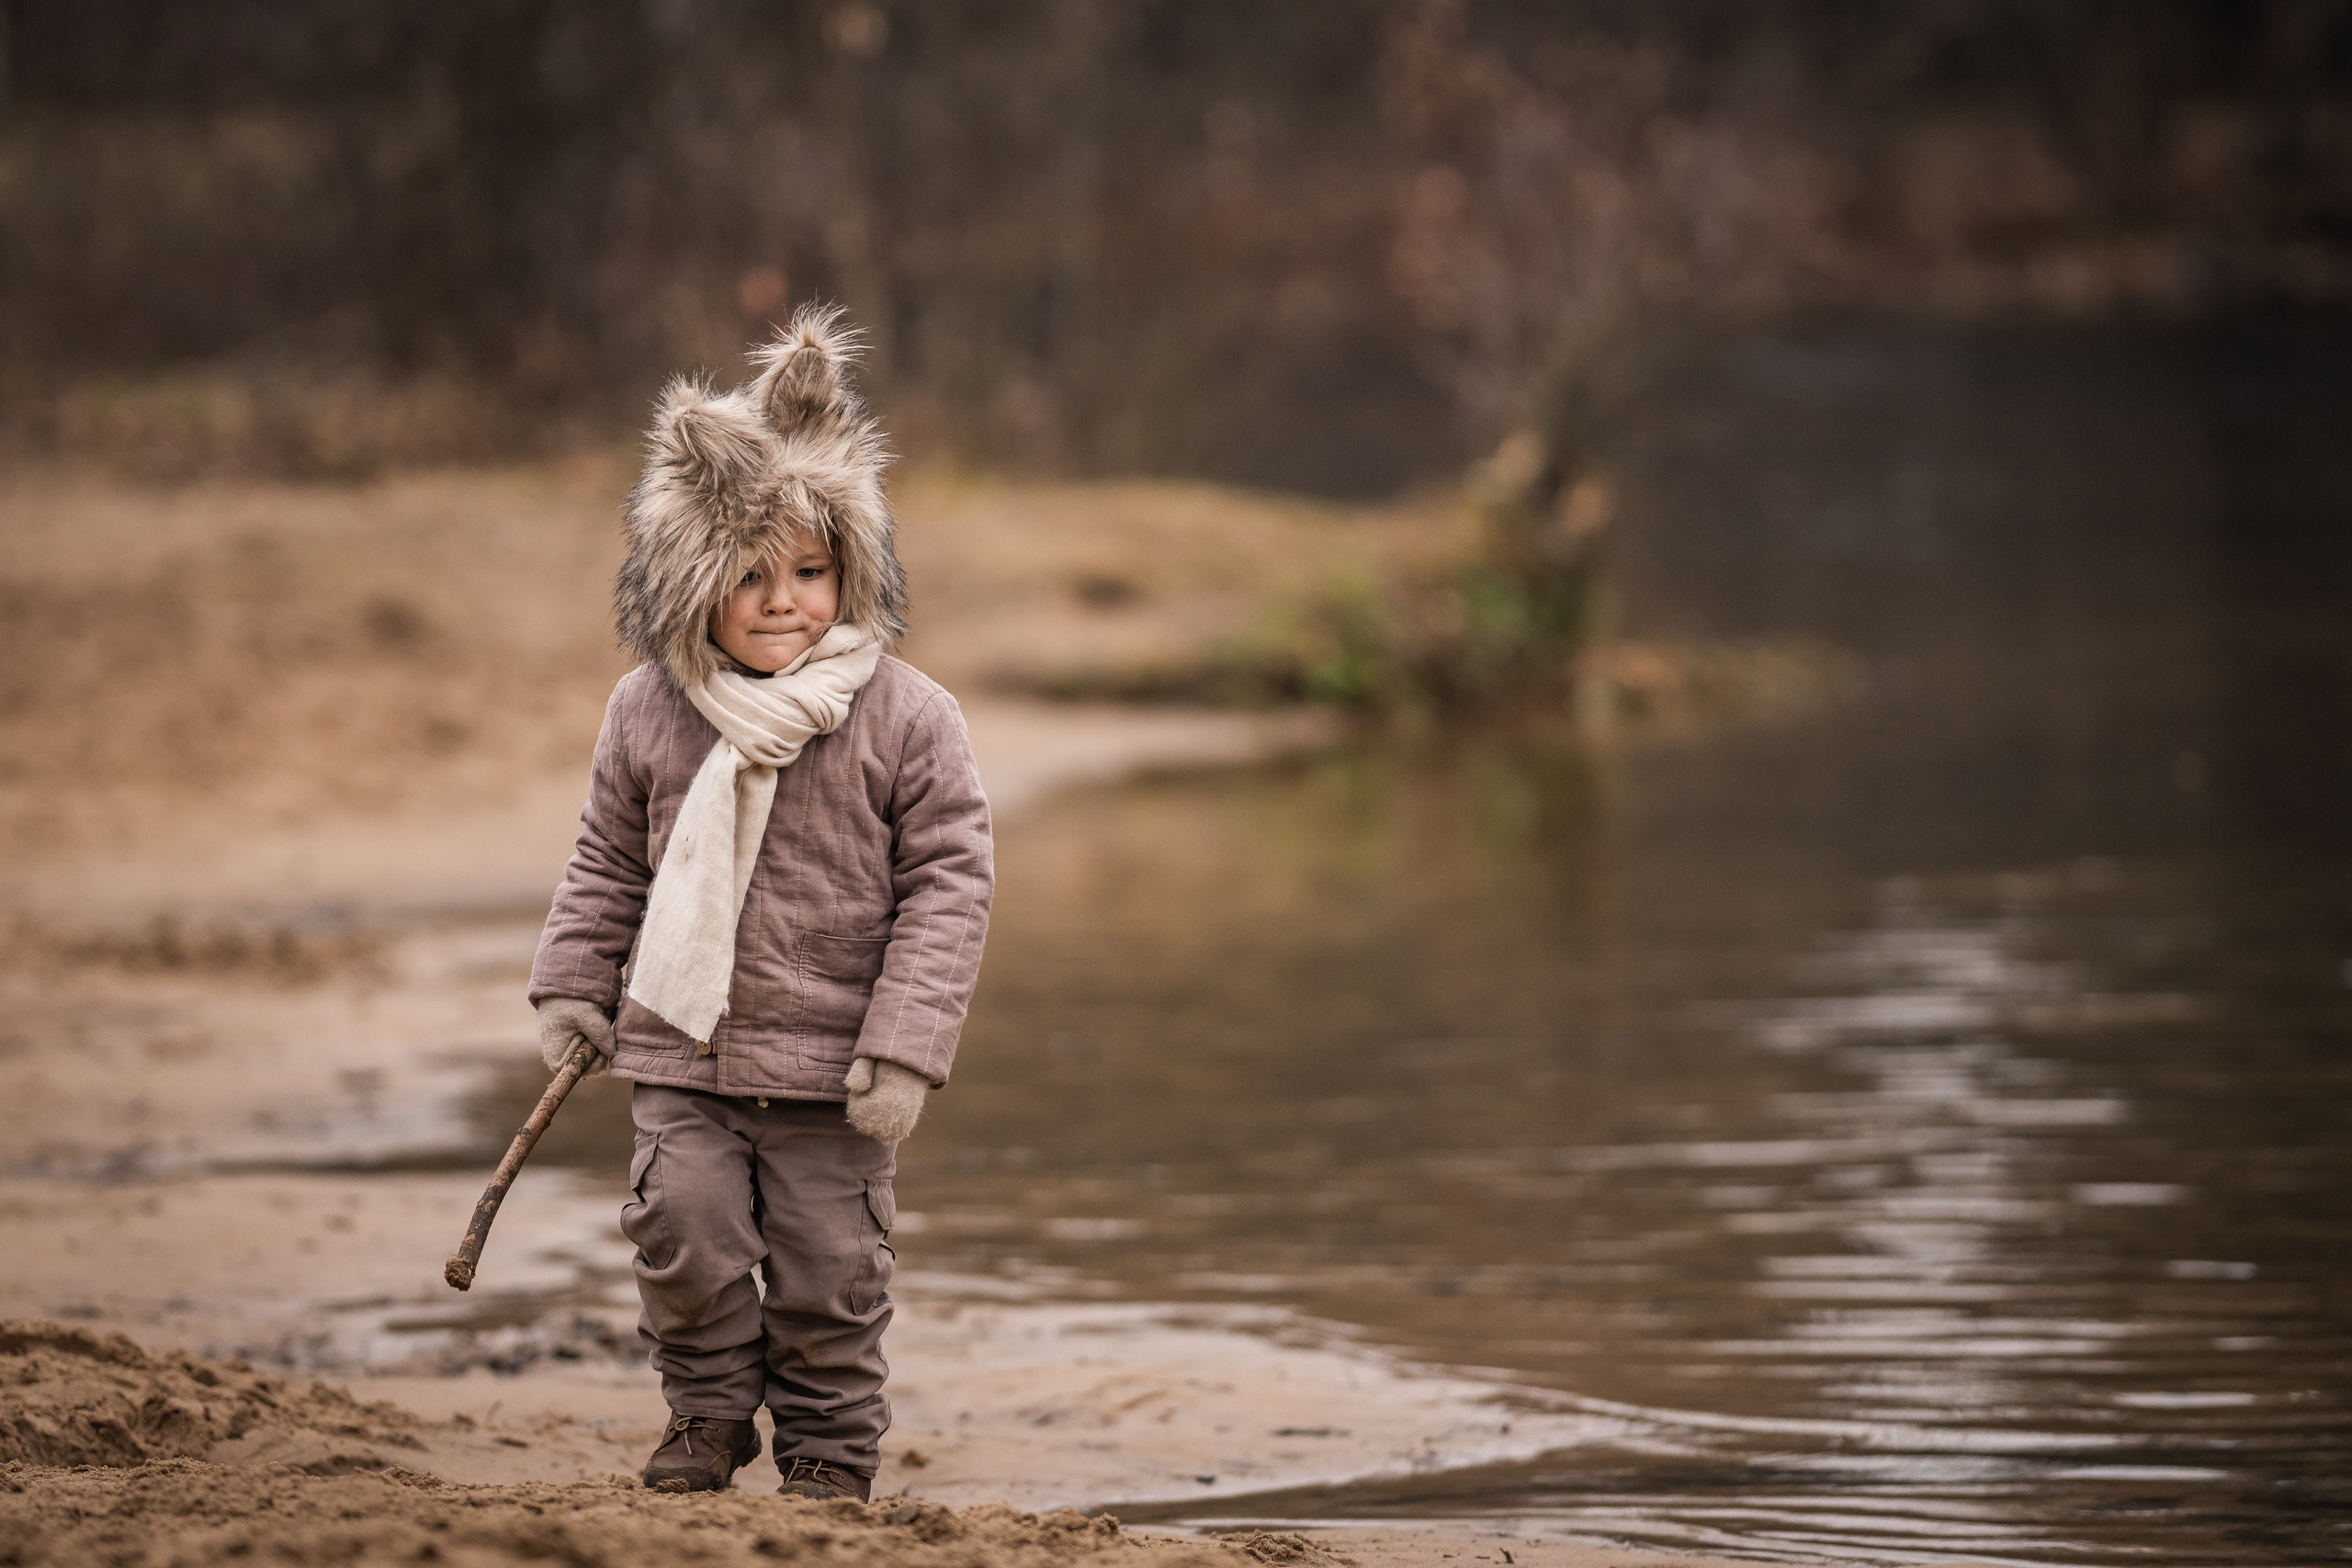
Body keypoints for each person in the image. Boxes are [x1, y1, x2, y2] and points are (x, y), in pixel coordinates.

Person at [526, 305, 993, 1500]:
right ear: (690, 581)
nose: (783, 599)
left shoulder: (908, 716)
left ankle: (831, 1450)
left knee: (832, 1268)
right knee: (680, 1233)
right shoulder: (651, 710)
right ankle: (706, 1416)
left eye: (810, 570)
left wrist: (903, 1052)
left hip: (835, 1064)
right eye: (746, 574)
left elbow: (949, 884)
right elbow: (606, 860)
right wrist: (576, 985)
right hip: (680, 1049)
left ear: (853, 569)